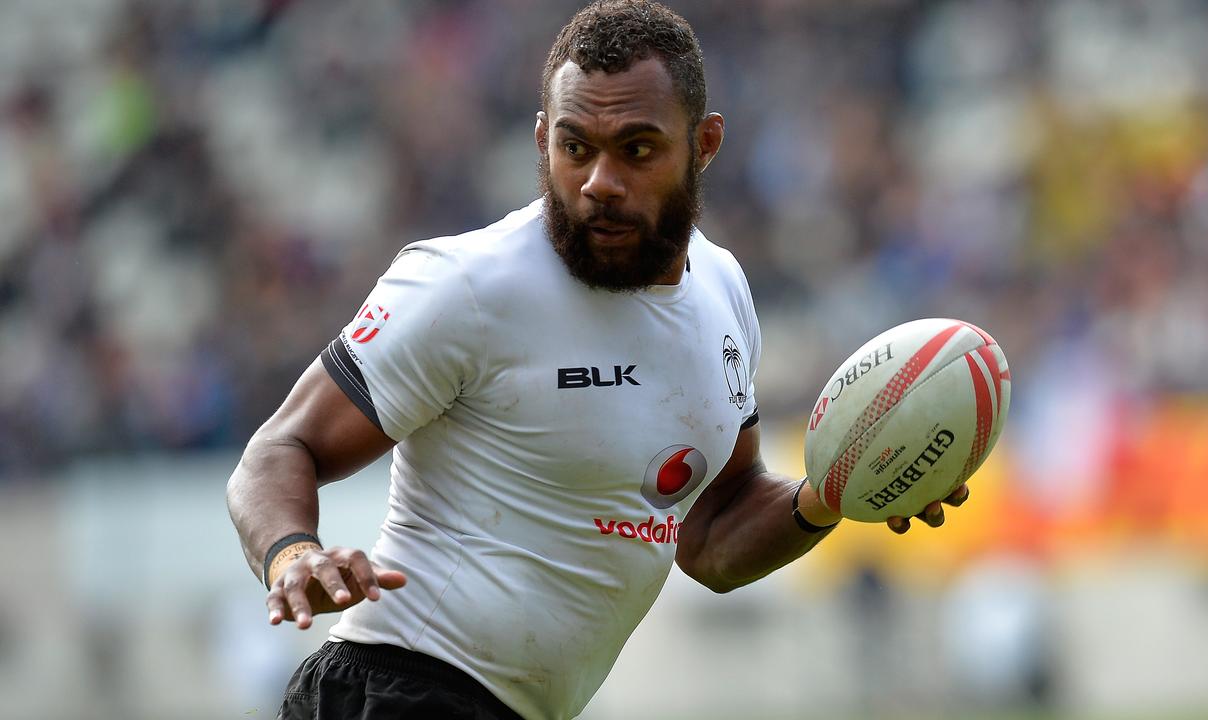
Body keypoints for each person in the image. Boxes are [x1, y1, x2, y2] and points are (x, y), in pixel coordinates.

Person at [226, 2, 969, 718]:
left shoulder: (724, 293)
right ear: (543, 138)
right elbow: (278, 448)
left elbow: (711, 540)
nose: (599, 183)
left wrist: (835, 491)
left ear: (704, 144)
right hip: (398, 688)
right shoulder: (467, 285)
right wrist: (293, 557)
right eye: (575, 147)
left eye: (637, 149)